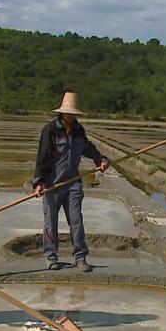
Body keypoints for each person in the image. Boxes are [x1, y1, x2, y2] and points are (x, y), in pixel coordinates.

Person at [33, 91, 110, 272]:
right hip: (53, 184)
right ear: (62, 112)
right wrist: (39, 182)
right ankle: (51, 257)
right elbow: (42, 157)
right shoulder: (50, 130)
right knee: (50, 221)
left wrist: (100, 160)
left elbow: (87, 148)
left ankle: (80, 257)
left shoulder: (78, 130)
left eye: (74, 113)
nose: (72, 116)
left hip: (73, 183)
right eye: (69, 113)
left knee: (76, 220)